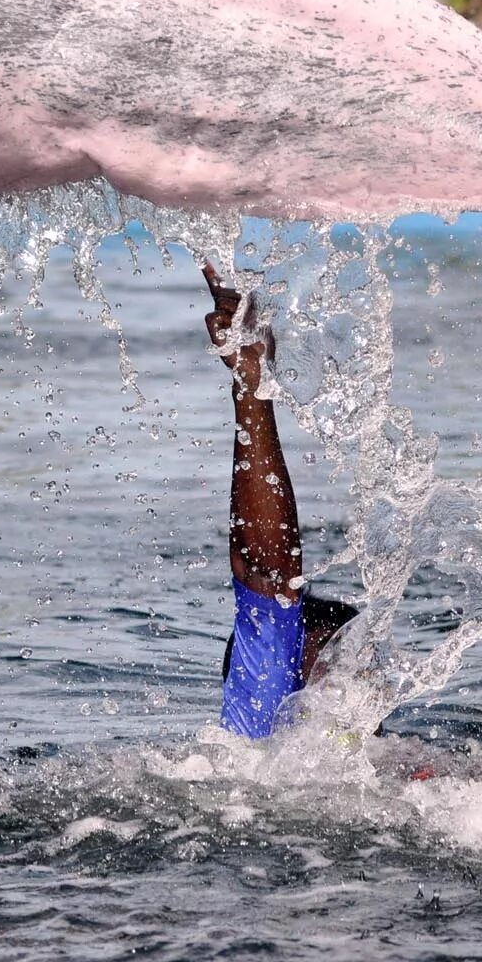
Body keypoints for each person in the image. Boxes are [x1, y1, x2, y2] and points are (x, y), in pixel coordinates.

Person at [202, 263, 358, 737]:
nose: (356, 681)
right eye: (333, 658)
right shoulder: (265, 725)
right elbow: (269, 572)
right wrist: (251, 386)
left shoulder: (396, 760)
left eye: (361, 662)